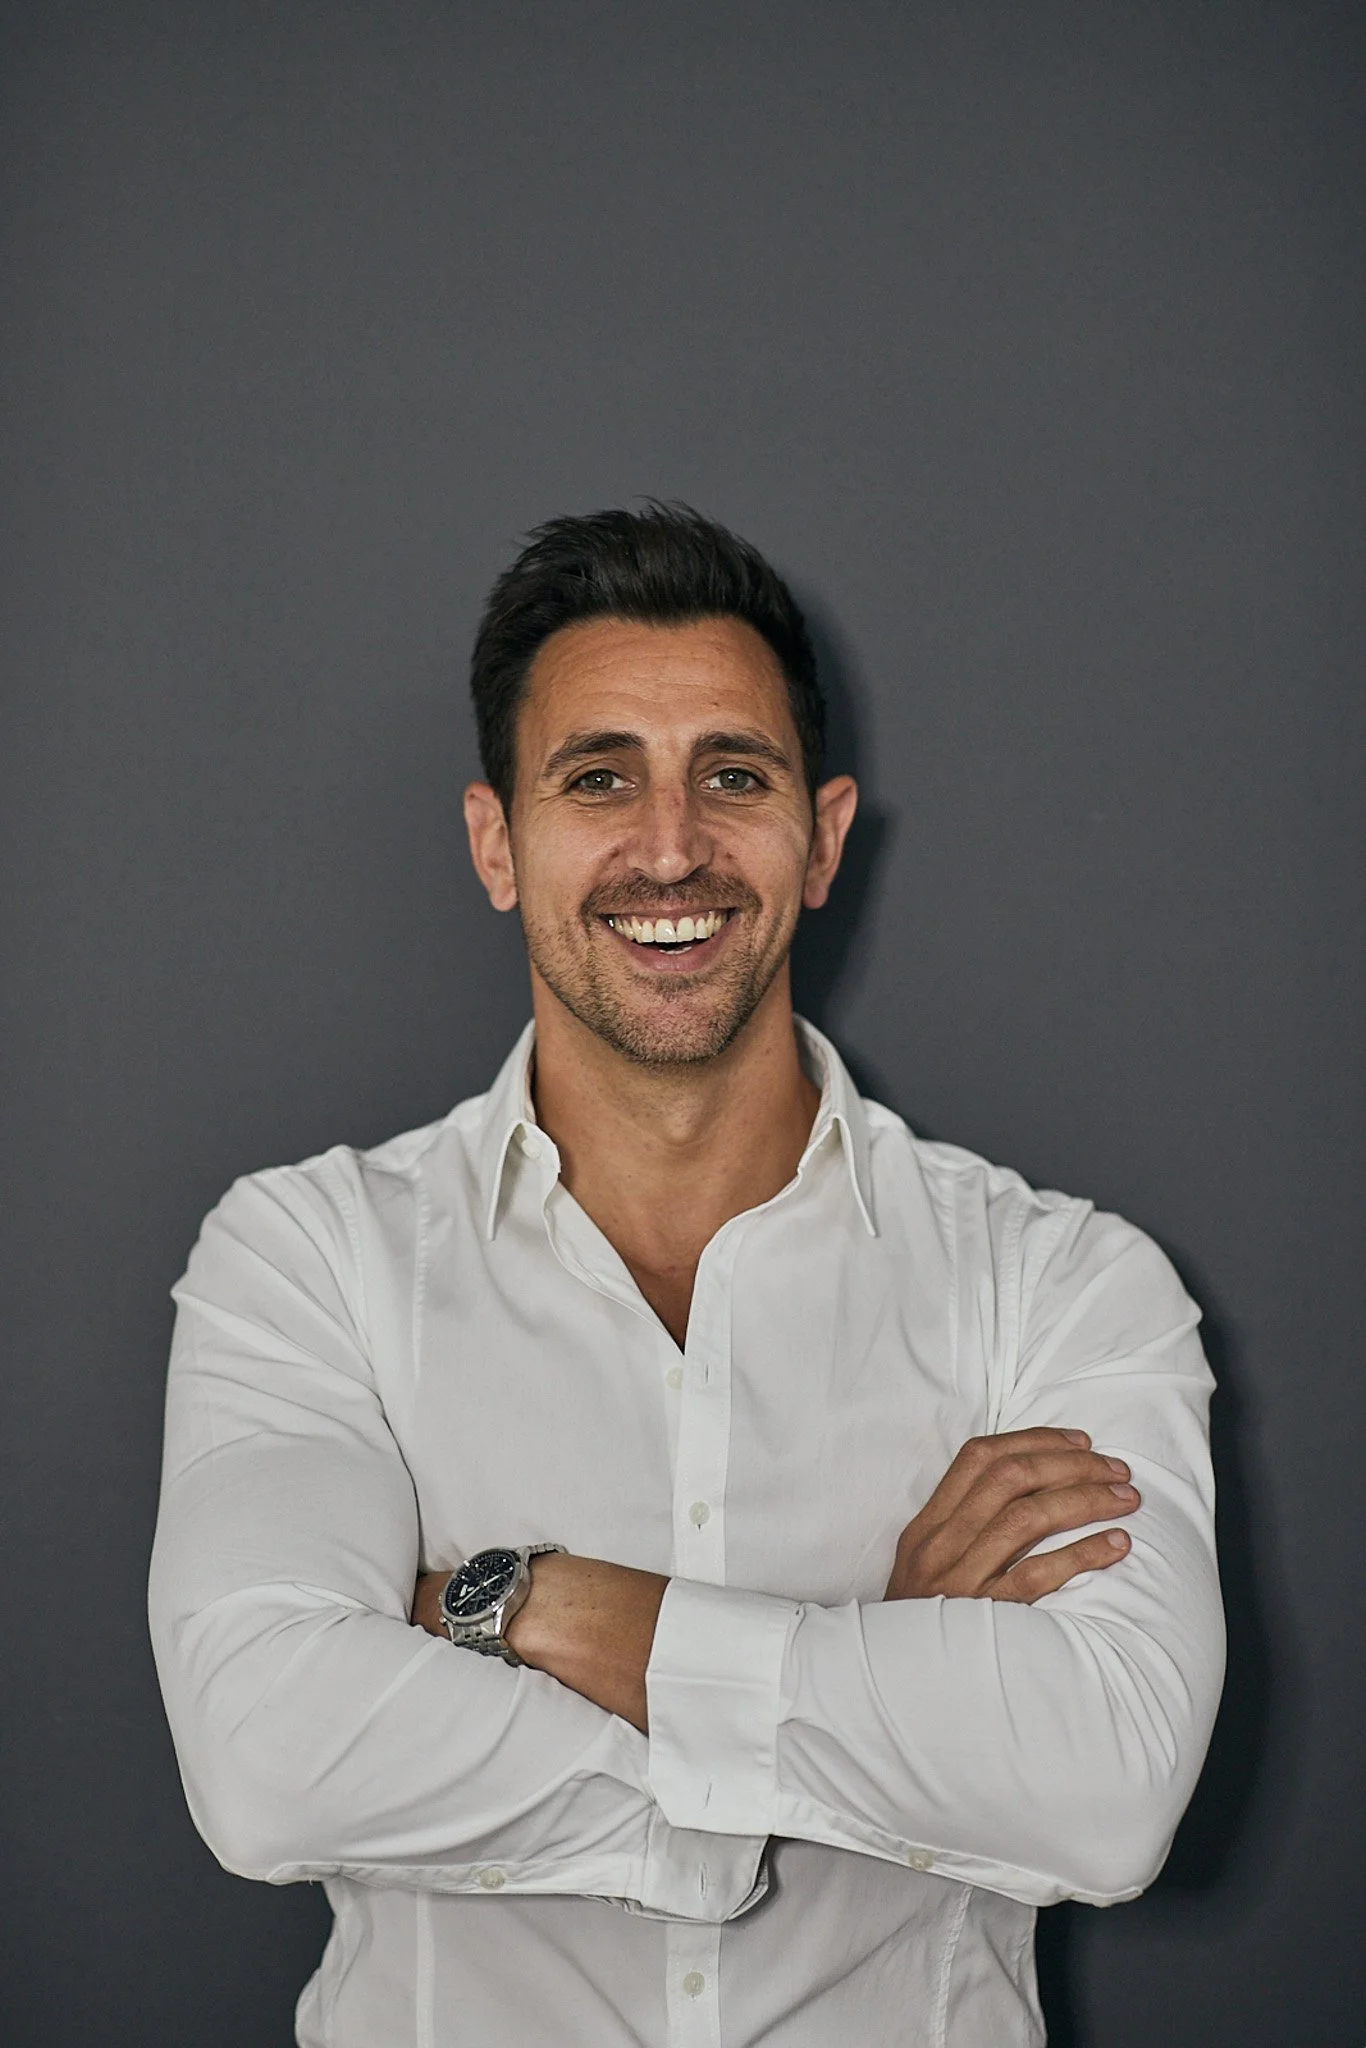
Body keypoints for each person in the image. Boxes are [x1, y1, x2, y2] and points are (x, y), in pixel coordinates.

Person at [149, 504, 1223, 2047]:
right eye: (598, 778)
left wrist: (521, 1609)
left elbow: (1107, 1791)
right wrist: (862, 1673)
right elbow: (269, 1764)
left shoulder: (1060, 1285)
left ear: (822, 838)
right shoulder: (306, 1257)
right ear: (496, 844)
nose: (669, 847)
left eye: (734, 775)